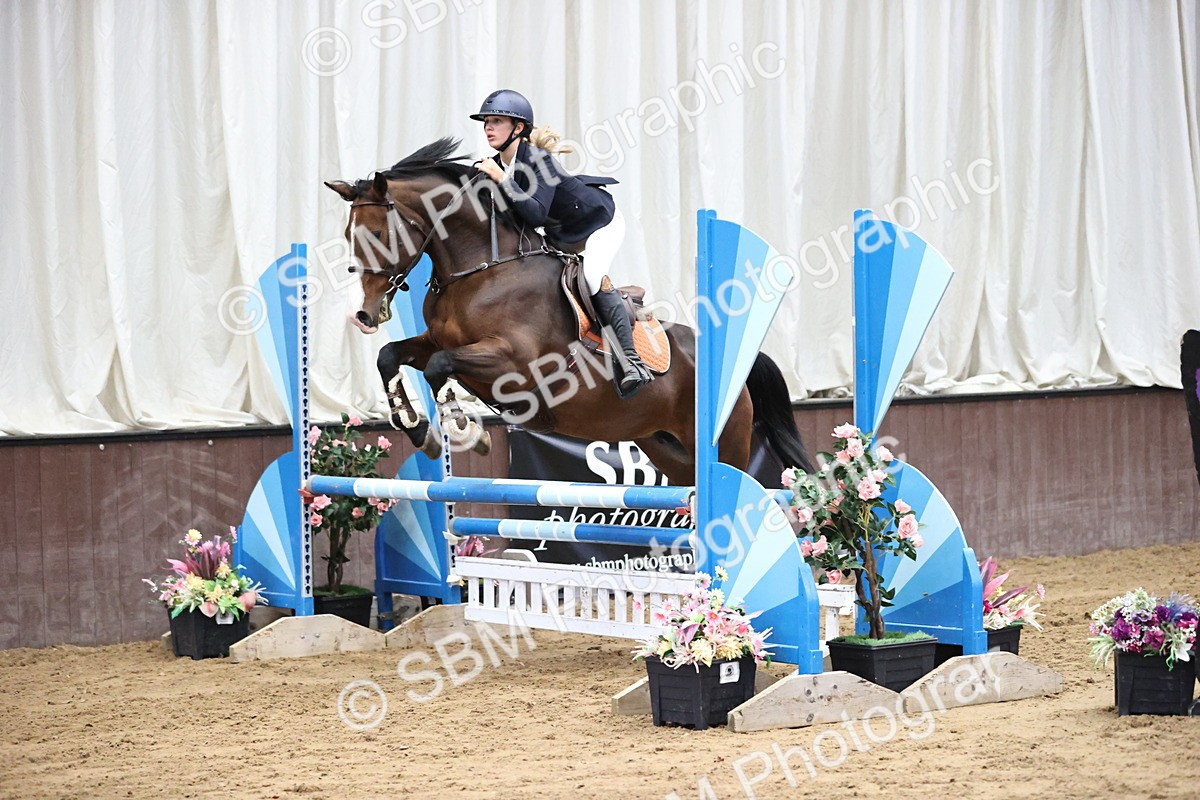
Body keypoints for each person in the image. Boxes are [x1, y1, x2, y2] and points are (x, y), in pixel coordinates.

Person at [470, 89, 652, 397]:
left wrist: (500, 180)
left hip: (598, 224)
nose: (489, 127)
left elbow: (536, 213)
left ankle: (632, 362)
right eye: (486, 121)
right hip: (561, 232)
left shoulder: (538, 161)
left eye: (497, 121)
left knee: (593, 277)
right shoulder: (501, 164)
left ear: (518, 128)